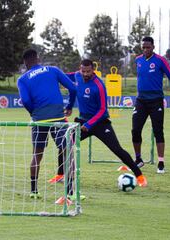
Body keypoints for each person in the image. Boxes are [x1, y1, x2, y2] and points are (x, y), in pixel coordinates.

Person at [65, 59, 147, 188]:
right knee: (66, 144)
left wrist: (89, 124)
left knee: (117, 149)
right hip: (82, 121)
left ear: (93, 70)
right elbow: (63, 77)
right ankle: (60, 175)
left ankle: (139, 175)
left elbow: (103, 109)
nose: (85, 74)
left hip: (100, 123)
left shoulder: (99, 85)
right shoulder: (77, 75)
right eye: (83, 71)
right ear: (80, 69)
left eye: (88, 71)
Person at [17, 49, 77, 199]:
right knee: (68, 152)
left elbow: (25, 100)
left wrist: (33, 113)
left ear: (25, 62)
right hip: (58, 118)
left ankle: (34, 191)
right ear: (38, 58)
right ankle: (70, 193)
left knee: (37, 155)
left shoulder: (22, 79)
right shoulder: (53, 70)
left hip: (39, 120)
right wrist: (69, 106)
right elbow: (73, 88)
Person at [132, 36, 170, 174]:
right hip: (140, 100)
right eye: (144, 47)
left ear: (153, 47)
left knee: (158, 130)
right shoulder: (138, 60)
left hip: (156, 100)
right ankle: (138, 159)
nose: (145, 49)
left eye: (148, 47)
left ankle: (161, 162)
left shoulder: (160, 60)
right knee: (135, 130)